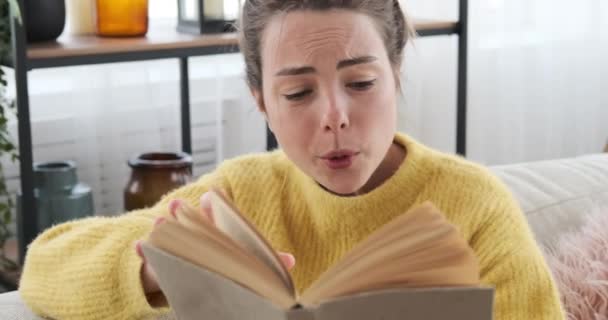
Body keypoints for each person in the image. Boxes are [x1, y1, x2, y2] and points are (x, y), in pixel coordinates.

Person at [19, 1, 565, 319]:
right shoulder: (242, 195)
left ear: (396, 74)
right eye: (298, 94)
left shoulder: (474, 206)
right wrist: (150, 269)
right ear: (262, 103)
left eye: (362, 82)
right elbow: (44, 264)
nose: (334, 117)